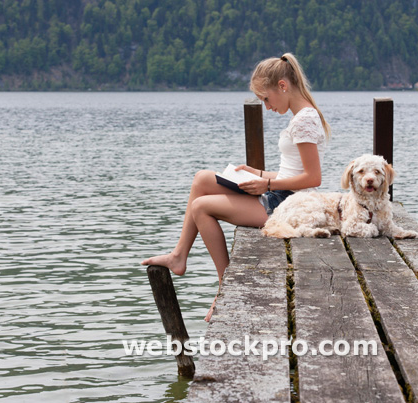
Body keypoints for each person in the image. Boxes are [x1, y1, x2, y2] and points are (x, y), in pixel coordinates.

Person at [142, 53, 331, 321]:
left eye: (266, 98)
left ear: (283, 86)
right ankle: (178, 255)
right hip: (281, 194)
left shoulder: (304, 120)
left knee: (201, 208)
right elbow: (294, 171)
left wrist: (266, 183)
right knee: (201, 179)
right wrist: (259, 173)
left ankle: (226, 288)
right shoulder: (302, 116)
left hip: (290, 206)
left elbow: (313, 178)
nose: (266, 107)